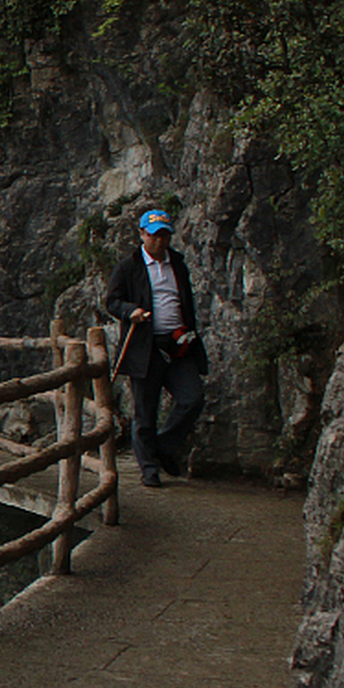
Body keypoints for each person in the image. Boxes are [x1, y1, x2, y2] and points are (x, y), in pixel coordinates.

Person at [105, 208, 208, 487]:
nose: (159, 242)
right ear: (142, 234)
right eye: (154, 236)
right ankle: (149, 467)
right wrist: (131, 311)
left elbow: (185, 300)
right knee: (145, 411)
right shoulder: (128, 267)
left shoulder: (177, 263)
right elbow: (112, 301)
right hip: (145, 347)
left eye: (164, 236)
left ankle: (162, 448)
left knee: (192, 398)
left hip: (178, 345)